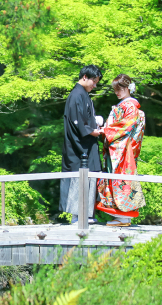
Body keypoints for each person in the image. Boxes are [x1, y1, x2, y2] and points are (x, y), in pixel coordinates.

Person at [97, 73, 146, 227]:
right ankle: (120, 215)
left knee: (120, 181)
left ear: (128, 88)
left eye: (120, 89)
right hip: (119, 149)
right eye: (116, 89)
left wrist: (105, 131)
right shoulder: (125, 105)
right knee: (116, 181)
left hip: (122, 150)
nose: (117, 92)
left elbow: (126, 127)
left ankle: (124, 216)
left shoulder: (130, 106)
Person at [61, 64, 103, 224]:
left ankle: (86, 214)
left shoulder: (83, 94)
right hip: (79, 145)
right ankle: (77, 216)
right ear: (85, 77)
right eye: (94, 81)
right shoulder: (76, 95)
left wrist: (95, 125)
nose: (95, 85)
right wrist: (92, 131)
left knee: (90, 176)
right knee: (79, 177)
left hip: (87, 143)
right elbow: (76, 121)